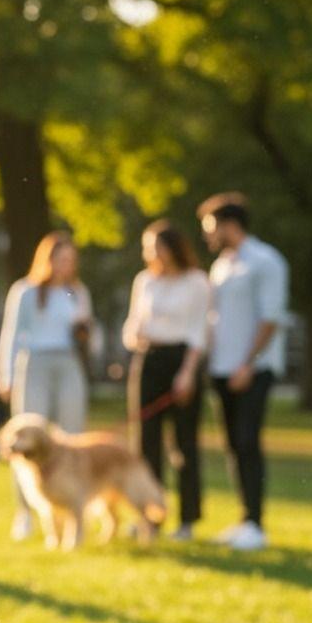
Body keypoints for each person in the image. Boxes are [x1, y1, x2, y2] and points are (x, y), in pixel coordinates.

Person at [198, 192, 289, 551]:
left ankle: (256, 524)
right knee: (234, 445)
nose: (207, 235)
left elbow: (271, 318)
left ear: (230, 225)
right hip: (222, 369)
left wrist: (247, 363)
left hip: (253, 369)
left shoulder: (265, 261)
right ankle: (244, 519)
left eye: (210, 227)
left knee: (249, 442)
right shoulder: (221, 266)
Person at [0, 231, 92, 540]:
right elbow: (11, 334)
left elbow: (86, 334)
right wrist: (6, 375)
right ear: (47, 259)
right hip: (34, 363)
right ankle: (25, 512)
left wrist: (83, 329)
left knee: (72, 437)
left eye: (70, 260)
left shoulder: (77, 292)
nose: (66, 266)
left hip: (68, 362)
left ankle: (73, 510)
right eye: (61, 259)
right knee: (25, 438)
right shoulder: (25, 291)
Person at [123, 220, 210, 540]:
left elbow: (199, 331)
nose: (150, 253)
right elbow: (132, 325)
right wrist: (135, 336)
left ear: (172, 247)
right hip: (149, 360)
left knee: (184, 444)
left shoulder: (196, 282)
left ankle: (187, 520)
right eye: (147, 248)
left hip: (182, 360)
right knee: (146, 443)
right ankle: (150, 517)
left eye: (155, 246)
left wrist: (187, 373)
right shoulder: (145, 281)